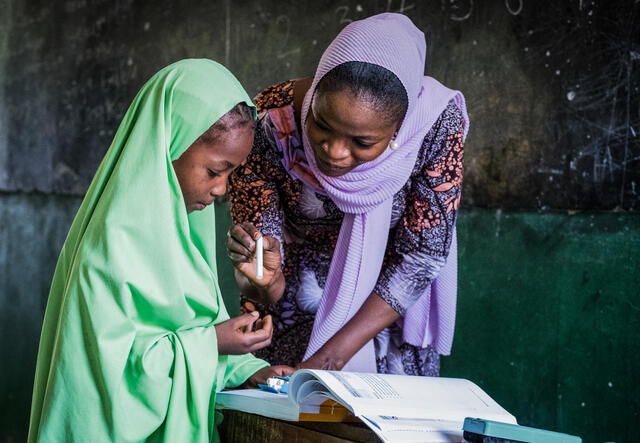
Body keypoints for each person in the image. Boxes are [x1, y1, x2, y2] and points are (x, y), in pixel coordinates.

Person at [27, 59, 292, 443]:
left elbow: (184, 339)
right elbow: (108, 381)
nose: (221, 190)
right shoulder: (112, 245)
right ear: (168, 146)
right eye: (215, 171)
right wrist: (214, 342)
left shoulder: (184, 238)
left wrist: (247, 368)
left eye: (231, 174)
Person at [227, 13, 469, 376]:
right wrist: (265, 280)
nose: (334, 151)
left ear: (399, 129)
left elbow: (421, 256)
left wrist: (332, 356)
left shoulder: (433, 127)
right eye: (321, 125)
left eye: (362, 142)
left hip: (386, 311)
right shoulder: (271, 120)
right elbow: (263, 269)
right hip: (294, 306)